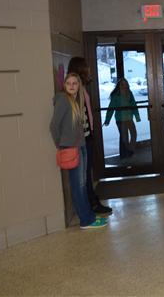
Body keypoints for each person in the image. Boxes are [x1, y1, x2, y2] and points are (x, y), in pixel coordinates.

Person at [50, 73, 108, 229]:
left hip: (81, 145)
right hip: (71, 147)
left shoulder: (77, 100)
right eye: (68, 83)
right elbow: (54, 126)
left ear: (79, 85)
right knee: (78, 185)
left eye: (74, 83)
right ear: (64, 85)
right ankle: (86, 220)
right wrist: (61, 145)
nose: (71, 85)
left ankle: (89, 215)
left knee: (82, 184)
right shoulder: (63, 99)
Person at [67, 57, 112, 216]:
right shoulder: (75, 90)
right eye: (87, 68)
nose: (90, 70)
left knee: (86, 174)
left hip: (87, 137)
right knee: (83, 177)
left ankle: (92, 202)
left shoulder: (82, 88)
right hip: (81, 140)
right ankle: (90, 207)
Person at [104, 79, 141, 158]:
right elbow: (111, 108)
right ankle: (126, 153)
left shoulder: (129, 93)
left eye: (125, 84)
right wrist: (107, 120)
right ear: (119, 85)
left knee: (134, 134)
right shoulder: (116, 95)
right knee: (124, 137)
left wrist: (137, 116)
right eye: (122, 84)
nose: (124, 86)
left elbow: (133, 105)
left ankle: (130, 150)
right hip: (120, 119)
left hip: (129, 118)